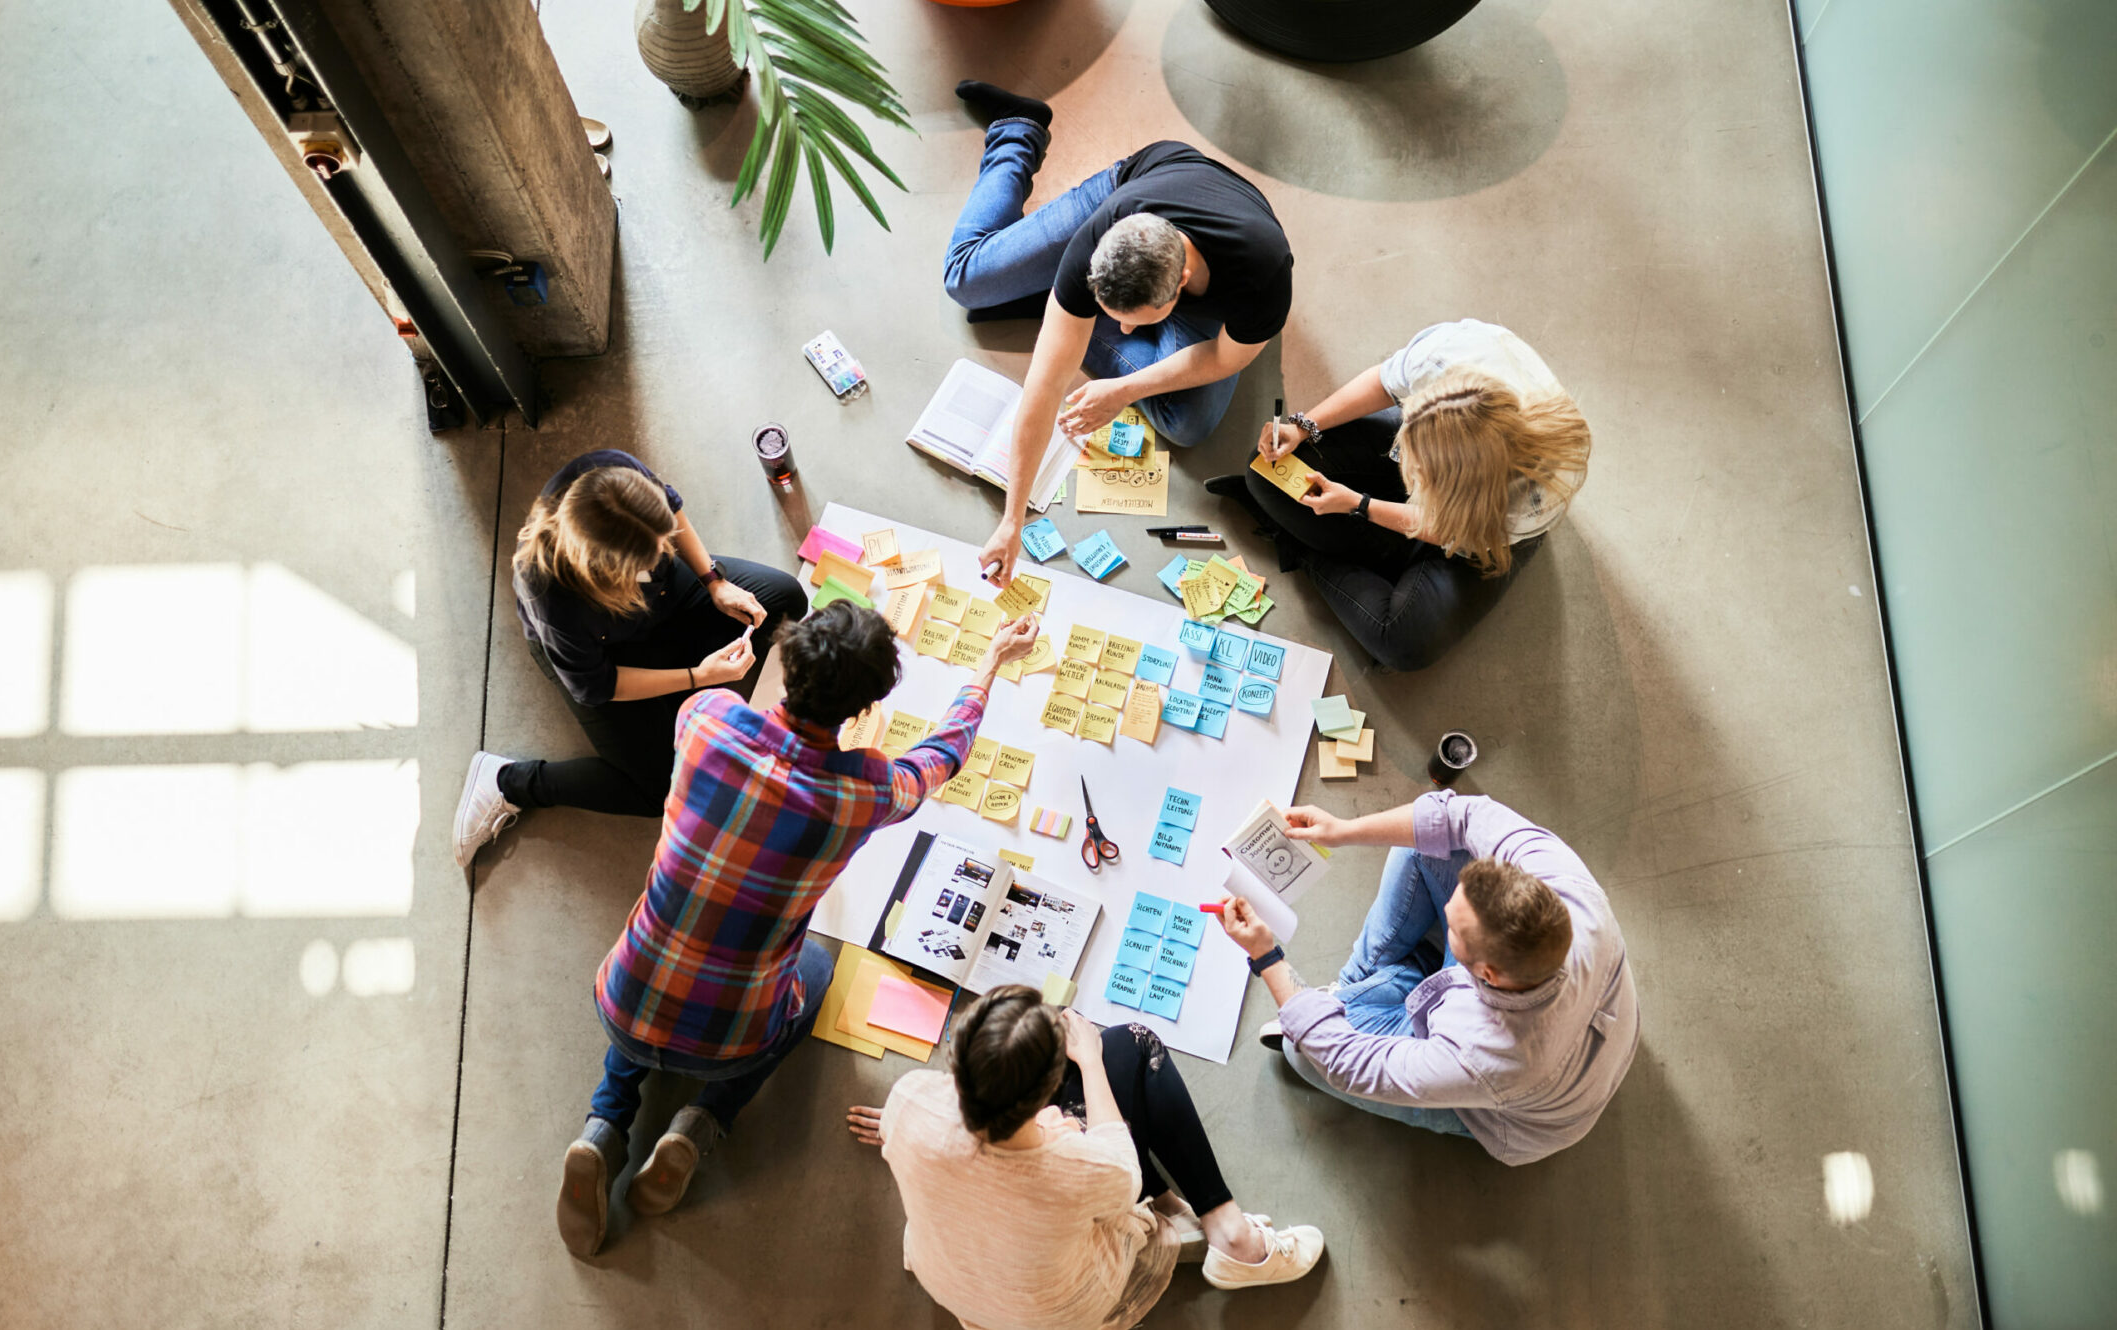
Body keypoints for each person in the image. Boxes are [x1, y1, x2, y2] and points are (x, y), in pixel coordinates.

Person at [555, 605, 1041, 1258]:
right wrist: (987, 665)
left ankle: (602, 1126)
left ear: (789, 662)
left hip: (622, 994)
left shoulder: (706, 721)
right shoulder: (859, 793)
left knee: (667, 969)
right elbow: (940, 759)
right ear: (865, 708)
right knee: (815, 968)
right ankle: (699, 1124)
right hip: (731, 1037)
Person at [941, 81, 1294, 587]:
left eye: (1134, 321)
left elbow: (1224, 357)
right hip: (1141, 182)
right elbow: (1044, 386)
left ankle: (1052, 310)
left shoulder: (1262, 274)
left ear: (1181, 290)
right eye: (1111, 313)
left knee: (1188, 423)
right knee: (967, 280)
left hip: (1229, 275)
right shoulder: (1099, 239)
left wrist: (1124, 389)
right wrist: (1012, 519)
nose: (1123, 330)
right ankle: (1019, 130)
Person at [847, 989, 1323, 1327]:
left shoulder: (909, 1099)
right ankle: (1231, 1236)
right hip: (1062, 1309)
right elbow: (1117, 1161)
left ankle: (1190, 1216)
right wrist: (1090, 1059)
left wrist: (903, 1118)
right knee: (1133, 1042)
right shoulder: (1085, 1165)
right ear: (1043, 1100)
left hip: (953, 1281)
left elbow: (935, 1111)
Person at [1218, 788, 1638, 1165]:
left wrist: (1266, 955)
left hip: (1516, 1104)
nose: (1449, 914)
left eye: (1453, 930)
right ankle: (1368, 990)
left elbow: (1347, 1064)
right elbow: (1461, 814)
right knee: (1423, 847)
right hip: (1578, 1020)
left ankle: (1366, 990)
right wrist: (1342, 830)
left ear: (1487, 973)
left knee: (1302, 1051)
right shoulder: (1562, 883)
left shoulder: (1489, 1055)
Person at [451, 449, 808, 865]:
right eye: (653, 550)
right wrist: (698, 676)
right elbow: (599, 686)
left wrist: (712, 580)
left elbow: (673, 518)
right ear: (612, 568)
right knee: (658, 788)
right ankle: (508, 782)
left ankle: (670, 698)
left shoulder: (611, 474)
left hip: (660, 598)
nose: (664, 549)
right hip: (606, 653)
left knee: (785, 598)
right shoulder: (551, 595)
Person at [1207, 318, 1590, 671]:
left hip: (1479, 533)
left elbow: (1445, 529)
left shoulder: (1531, 499)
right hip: (1445, 449)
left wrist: (1361, 505)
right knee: (1264, 473)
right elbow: (1384, 384)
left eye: (1418, 473)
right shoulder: (1446, 356)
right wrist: (1305, 426)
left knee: (1402, 643)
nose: (1408, 474)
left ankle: (1299, 546)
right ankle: (1382, 560)